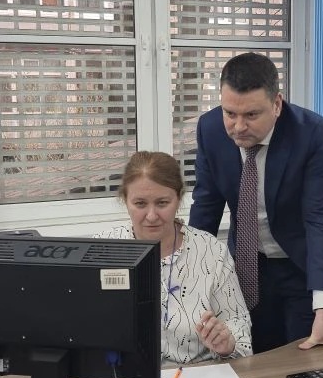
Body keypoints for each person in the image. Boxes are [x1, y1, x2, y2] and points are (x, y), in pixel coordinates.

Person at [189, 53, 323, 355]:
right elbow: (206, 206)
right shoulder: (210, 129)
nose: (238, 126)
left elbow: (321, 220)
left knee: (304, 356)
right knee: (252, 354)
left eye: (251, 115)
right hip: (248, 264)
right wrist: (190, 280)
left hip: (302, 263)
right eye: (230, 113)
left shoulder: (313, 133)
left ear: (276, 104)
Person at [95, 151, 252, 366]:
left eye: (162, 203)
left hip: (197, 376)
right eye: (140, 204)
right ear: (125, 200)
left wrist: (227, 344)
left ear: (178, 199)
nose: (151, 216)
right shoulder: (102, 251)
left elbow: (241, 336)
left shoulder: (211, 252)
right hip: (124, 377)